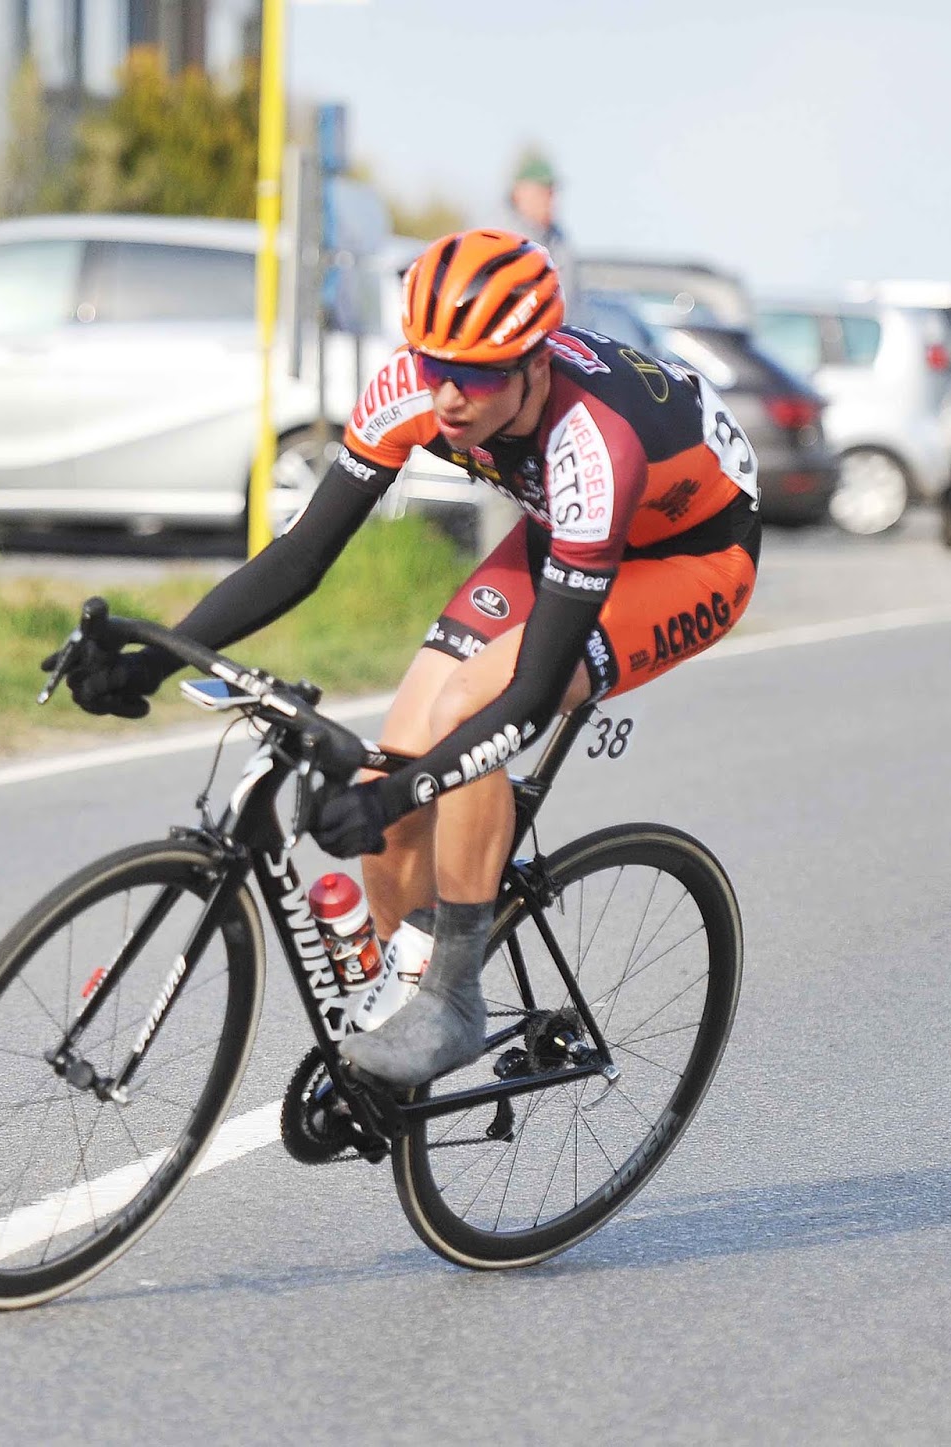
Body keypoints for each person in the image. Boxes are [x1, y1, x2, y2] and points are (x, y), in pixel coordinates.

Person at [50, 229, 761, 1089]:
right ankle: (404, 985)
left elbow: (530, 699)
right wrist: (155, 657)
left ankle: (454, 998)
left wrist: (395, 793)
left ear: (534, 367)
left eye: (480, 375)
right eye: (435, 366)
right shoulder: (413, 388)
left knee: (469, 711)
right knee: (402, 732)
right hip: (564, 529)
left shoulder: (592, 445)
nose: (451, 396)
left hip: (691, 556)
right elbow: (302, 554)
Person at [505, 154, 578, 309]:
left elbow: (575, 304)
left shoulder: (560, 241)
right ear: (519, 193)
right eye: (541, 192)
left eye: (552, 192)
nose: (549, 199)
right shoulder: (501, 237)